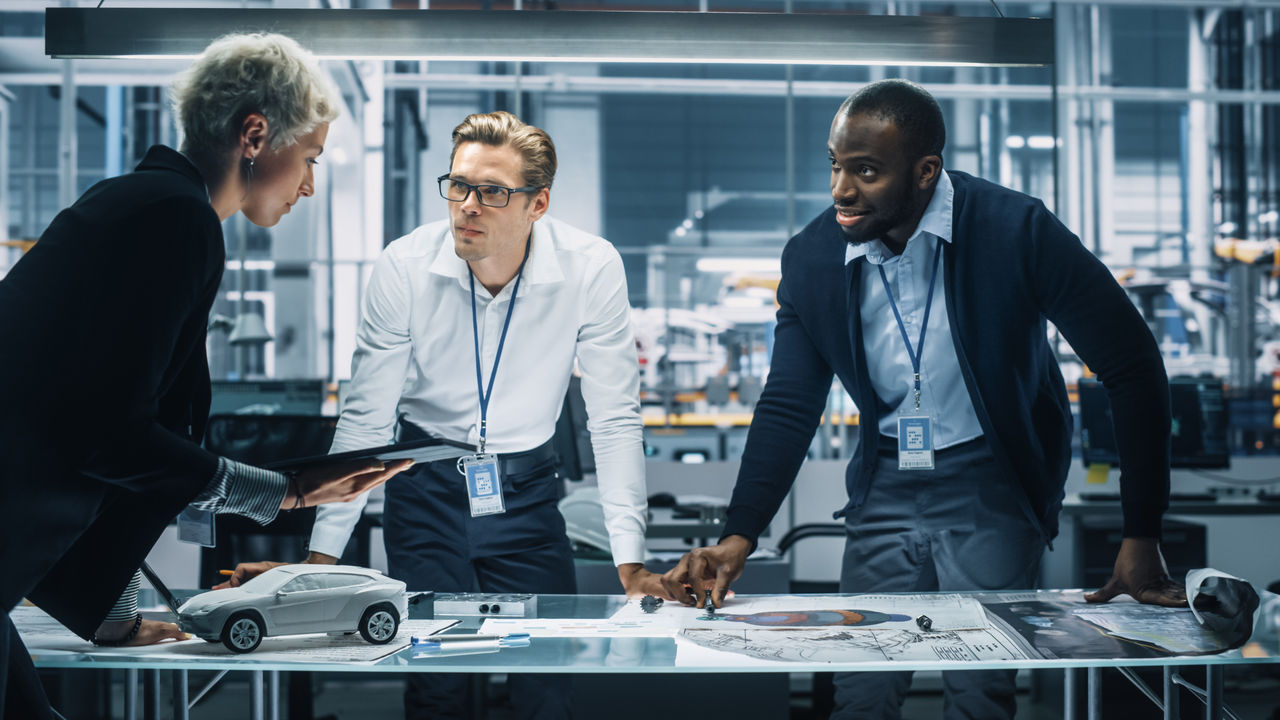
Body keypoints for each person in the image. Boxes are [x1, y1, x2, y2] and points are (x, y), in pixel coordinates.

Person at [660, 79, 1187, 719]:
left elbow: (1132, 366)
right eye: (835, 166)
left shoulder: (1016, 231)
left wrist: (1142, 530)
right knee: (858, 680)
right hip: (884, 481)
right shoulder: (814, 259)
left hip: (992, 484)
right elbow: (789, 403)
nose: (841, 191)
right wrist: (739, 534)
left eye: (866, 171)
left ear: (925, 171)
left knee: (981, 687)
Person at [0, 33, 409, 719]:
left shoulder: (137, 202)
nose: (309, 183)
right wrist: (285, 494)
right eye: (308, 158)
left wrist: (112, 613)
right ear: (255, 133)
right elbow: (112, 436)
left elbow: (110, 421)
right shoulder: (175, 219)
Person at [219, 110, 668, 719]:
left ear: (537, 205)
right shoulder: (405, 267)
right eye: (458, 186)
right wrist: (321, 559)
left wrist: (631, 561)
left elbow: (613, 417)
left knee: (547, 675)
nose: (467, 206)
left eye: (491, 192)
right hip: (423, 482)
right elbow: (366, 419)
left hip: (528, 489)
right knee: (432, 674)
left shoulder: (590, 268)